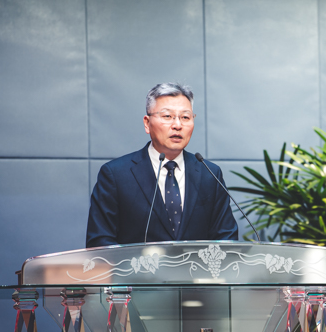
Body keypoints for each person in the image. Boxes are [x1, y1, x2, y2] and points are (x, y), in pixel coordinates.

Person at [86, 82, 238, 247]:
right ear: (147, 123)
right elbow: (100, 242)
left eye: (185, 117)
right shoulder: (116, 175)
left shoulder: (210, 174)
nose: (177, 125)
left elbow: (227, 238)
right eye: (167, 116)